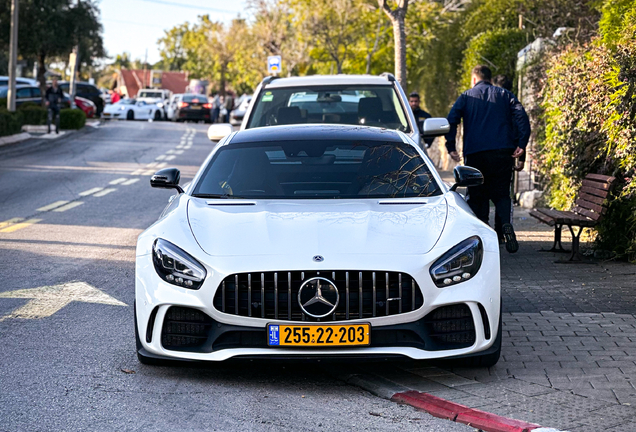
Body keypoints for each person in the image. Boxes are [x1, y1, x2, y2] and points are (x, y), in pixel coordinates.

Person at [445, 65, 530, 253]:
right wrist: (521, 144)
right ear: (490, 79)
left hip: (476, 154)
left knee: (477, 196)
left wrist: (451, 146)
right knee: (501, 194)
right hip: (502, 152)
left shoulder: (466, 96)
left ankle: (482, 236)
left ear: (474, 79)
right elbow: (521, 116)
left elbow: (451, 120)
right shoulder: (505, 94)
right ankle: (506, 225)